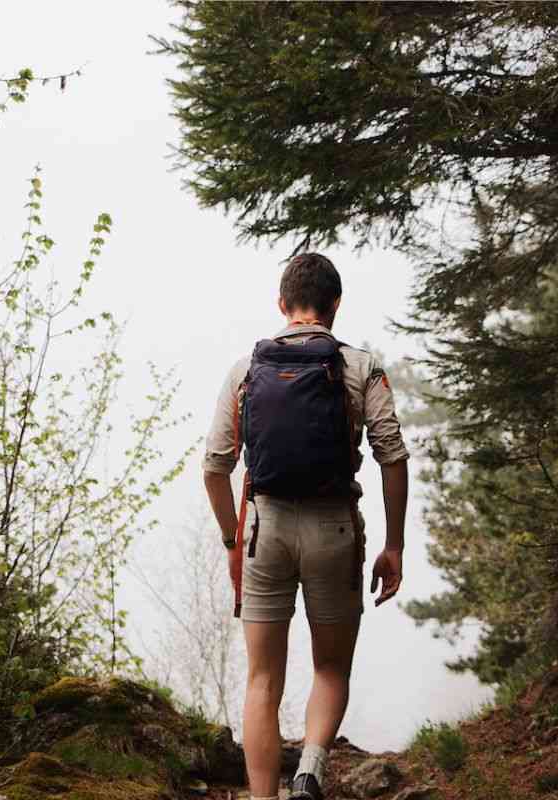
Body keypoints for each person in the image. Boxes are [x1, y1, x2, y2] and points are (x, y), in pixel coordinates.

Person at [202, 253, 410, 800]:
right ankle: (311, 769)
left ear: (282, 305)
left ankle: (264, 797)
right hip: (334, 529)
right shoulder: (362, 367)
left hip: (263, 532)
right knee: (330, 667)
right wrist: (394, 545)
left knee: (262, 682)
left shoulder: (245, 370)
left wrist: (231, 541)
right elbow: (393, 457)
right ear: (335, 304)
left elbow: (214, 468)